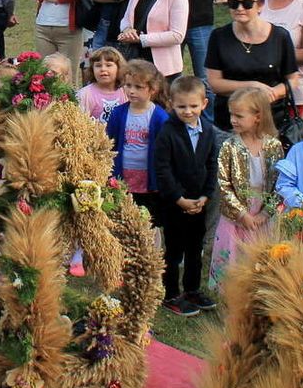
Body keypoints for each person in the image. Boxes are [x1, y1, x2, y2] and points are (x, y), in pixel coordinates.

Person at [153, 75, 217, 316]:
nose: (188, 111)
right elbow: (163, 169)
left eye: (193, 106)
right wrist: (178, 198)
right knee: (174, 250)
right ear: (171, 104)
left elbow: (212, 164)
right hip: (174, 204)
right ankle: (170, 293)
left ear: (204, 104)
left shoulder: (208, 131)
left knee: (194, 249)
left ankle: (192, 289)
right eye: (181, 106)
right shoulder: (167, 132)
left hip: (199, 202)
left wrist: (206, 196)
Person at [209, 87, 284, 290]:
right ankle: (229, 291)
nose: (233, 119)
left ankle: (256, 288)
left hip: (262, 210)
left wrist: (266, 213)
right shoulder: (230, 146)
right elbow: (223, 183)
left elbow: (280, 183)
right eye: (231, 114)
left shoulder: (274, 146)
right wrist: (241, 213)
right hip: (236, 213)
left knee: (258, 254)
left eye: (239, 115)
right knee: (232, 252)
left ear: (257, 117)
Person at [206, 0, 299, 132]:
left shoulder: (280, 36)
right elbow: (214, 83)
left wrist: (273, 93)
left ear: (260, 5)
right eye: (233, 3)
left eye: (247, 3)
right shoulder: (218, 36)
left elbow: (293, 80)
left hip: (271, 120)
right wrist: (252, 86)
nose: (239, 8)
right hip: (230, 122)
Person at [106, 59, 170, 225]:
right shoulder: (118, 113)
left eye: (138, 87)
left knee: (149, 221)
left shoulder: (159, 117)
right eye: (128, 85)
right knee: (122, 218)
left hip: (148, 179)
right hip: (123, 176)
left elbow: (165, 151)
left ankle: (151, 250)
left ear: (153, 90)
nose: (131, 91)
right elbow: (109, 143)